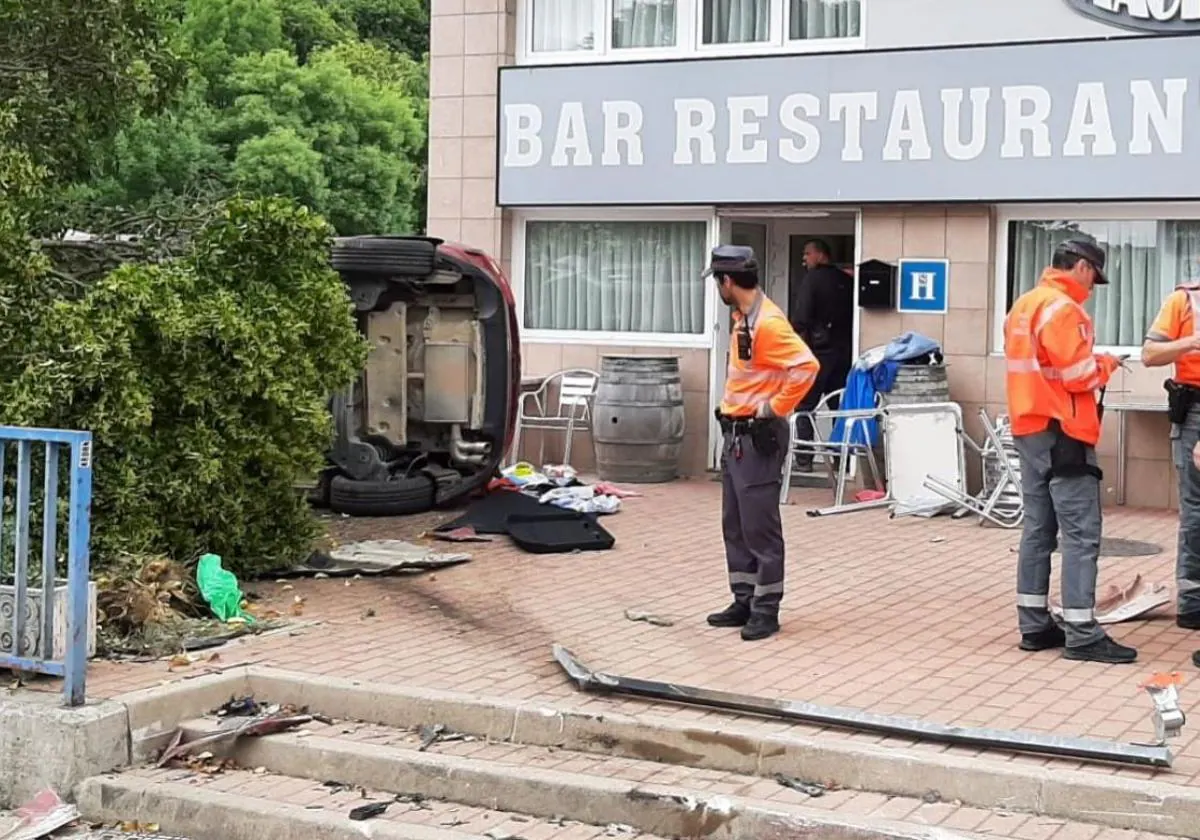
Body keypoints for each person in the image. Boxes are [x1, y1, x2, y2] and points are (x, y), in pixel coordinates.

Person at [1004, 237, 1133, 664]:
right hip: (1065, 432)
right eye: (1093, 277)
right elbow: (1078, 376)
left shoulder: (1025, 304)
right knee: (1081, 534)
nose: (1092, 288)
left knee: (1038, 529)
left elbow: (1042, 367)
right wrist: (1107, 364)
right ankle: (1082, 632)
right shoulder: (1065, 309)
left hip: (1030, 427)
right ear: (1080, 267)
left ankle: (1034, 622)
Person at [704, 245, 820, 641]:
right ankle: (744, 598)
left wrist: (773, 409)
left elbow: (806, 367)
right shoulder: (744, 320)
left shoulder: (768, 323)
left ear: (727, 281)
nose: (717, 289)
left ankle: (766, 609)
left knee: (760, 528)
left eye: (717, 282)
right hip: (736, 435)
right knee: (735, 524)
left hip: (756, 437)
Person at [1140, 278, 1200, 633]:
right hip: (1193, 411)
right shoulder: (1184, 301)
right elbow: (1149, 355)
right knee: (1195, 511)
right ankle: (1193, 602)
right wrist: (1189, 343)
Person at [790, 239, 854, 470]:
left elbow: (801, 318)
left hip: (818, 354)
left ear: (820, 255)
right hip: (844, 353)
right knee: (839, 406)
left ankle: (804, 458)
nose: (804, 259)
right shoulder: (846, 281)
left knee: (804, 405)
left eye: (807, 254)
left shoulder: (812, 280)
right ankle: (842, 459)